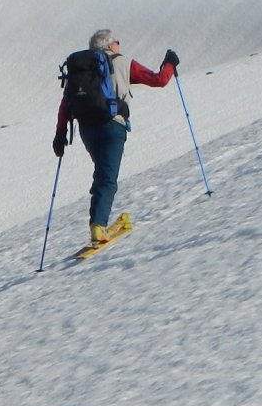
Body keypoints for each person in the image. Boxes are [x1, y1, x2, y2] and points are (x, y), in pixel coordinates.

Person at [53, 29, 179, 245]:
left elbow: (66, 103)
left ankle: (97, 221)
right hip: (113, 126)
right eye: (117, 42)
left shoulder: (82, 70)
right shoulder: (123, 63)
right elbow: (159, 80)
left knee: (102, 173)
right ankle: (98, 227)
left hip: (87, 128)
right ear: (110, 45)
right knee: (108, 178)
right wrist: (171, 63)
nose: (119, 45)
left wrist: (60, 134)